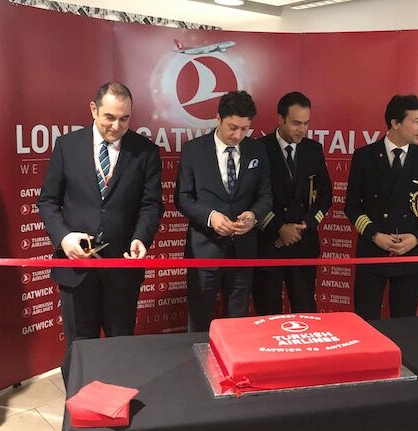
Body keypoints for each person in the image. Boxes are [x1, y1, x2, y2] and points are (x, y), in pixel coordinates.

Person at [38, 82, 162, 381]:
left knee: (121, 345)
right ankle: (79, 406)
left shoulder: (145, 151)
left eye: (124, 118)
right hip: (76, 269)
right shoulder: (67, 146)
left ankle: (118, 401)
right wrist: (64, 237)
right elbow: (48, 201)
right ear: (93, 109)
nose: (116, 126)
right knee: (80, 348)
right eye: (110, 117)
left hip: (122, 269)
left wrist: (140, 237)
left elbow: (151, 205)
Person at [344, 95, 418, 320]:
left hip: (410, 257)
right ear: (395, 123)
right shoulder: (365, 157)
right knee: (366, 323)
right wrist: (375, 235)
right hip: (371, 254)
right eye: (417, 121)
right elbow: (351, 206)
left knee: (404, 325)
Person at [175, 90, 272, 331]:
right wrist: (211, 217)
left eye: (244, 128)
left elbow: (265, 196)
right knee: (200, 321)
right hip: (204, 250)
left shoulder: (257, 151)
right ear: (218, 118)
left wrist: (253, 216)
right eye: (232, 127)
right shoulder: (193, 150)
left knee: (237, 323)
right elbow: (182, 198)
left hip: (243, 250)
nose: (238, 135)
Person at [253, 92, 332, 315]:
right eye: (296, 123)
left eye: (306, 123)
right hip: (269, 244)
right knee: (267, 313)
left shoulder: (313, 149)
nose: (302, 130)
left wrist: (305, 225)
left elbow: (325, 195)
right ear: (281, 119)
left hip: (303, 243)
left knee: (306, 311)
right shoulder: (259, 149)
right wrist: (279, 228)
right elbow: (251, 196)